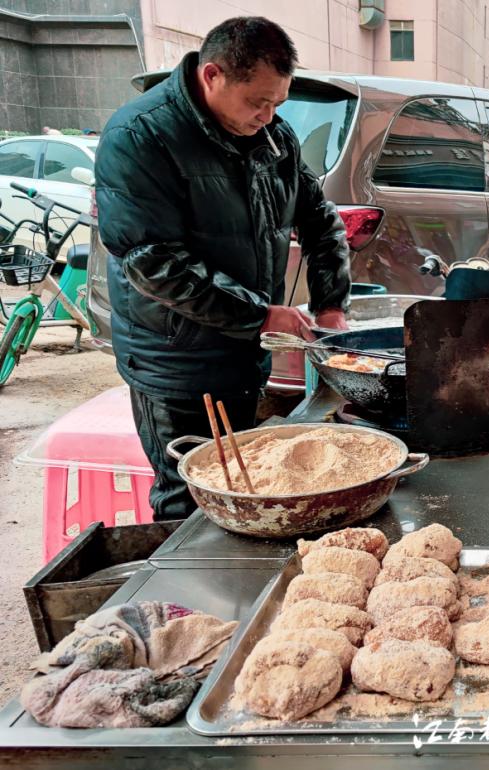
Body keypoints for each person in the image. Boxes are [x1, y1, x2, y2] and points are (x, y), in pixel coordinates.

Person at [96, 17, 351, 521]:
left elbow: (321, 220)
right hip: (173, 363)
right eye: (258, 102)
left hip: (241, 352)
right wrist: (261, 315)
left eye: (277, 103)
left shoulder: (273, 137)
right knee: (188, 495)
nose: (268, 115)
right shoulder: (140, 137)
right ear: (212, 75)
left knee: (242, 485)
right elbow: (153, 262)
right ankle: (181, 601)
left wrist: (330, 306)